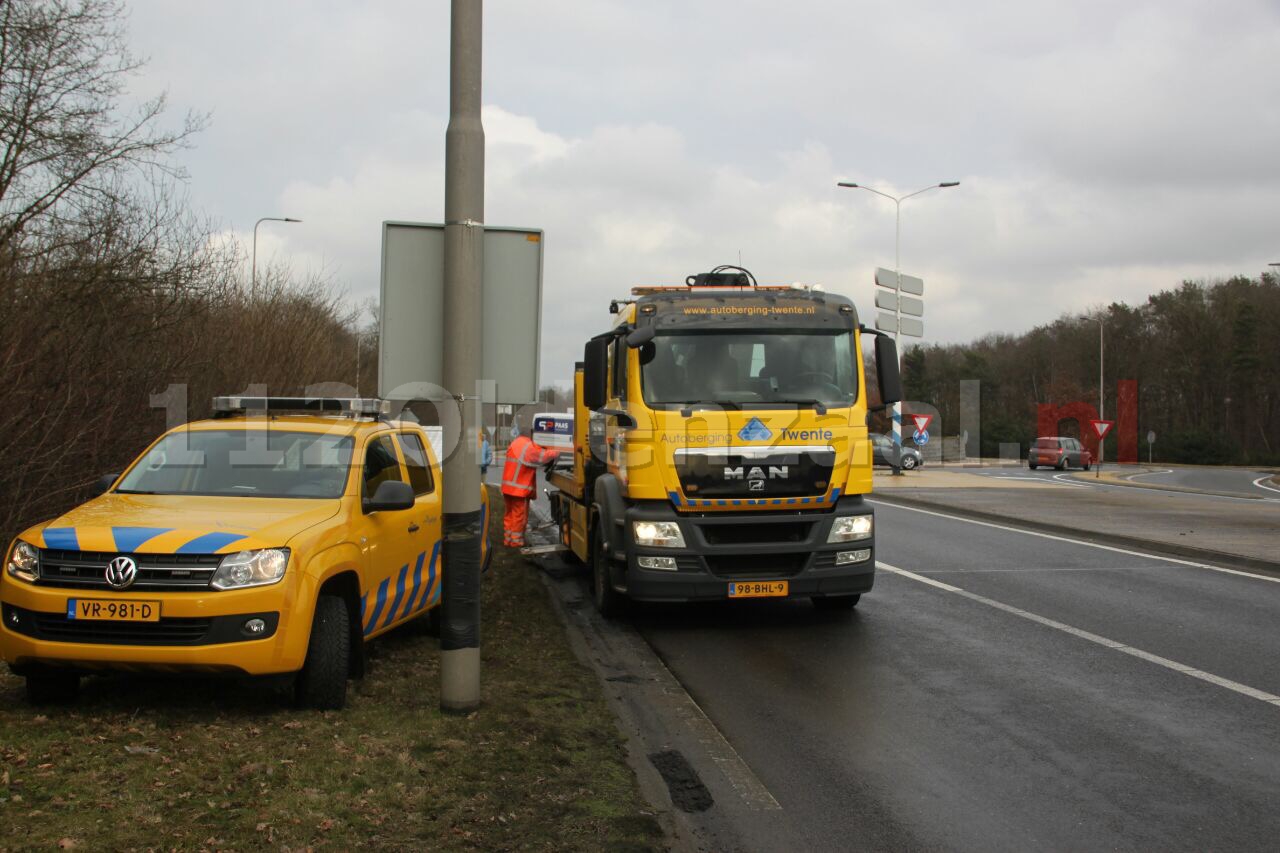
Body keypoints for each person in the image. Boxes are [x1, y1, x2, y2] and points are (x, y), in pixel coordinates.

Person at [501, 432, 558, 548]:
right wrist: (556, 452)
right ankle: (516, 541)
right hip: (518, 490)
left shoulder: (516, 443)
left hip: (508, 487)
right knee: (518, 516)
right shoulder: (528, 447)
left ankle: (508, 540)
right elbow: (542, 456)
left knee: (509, 514)